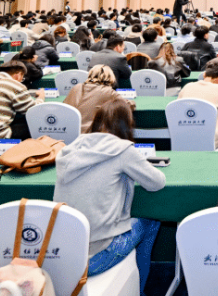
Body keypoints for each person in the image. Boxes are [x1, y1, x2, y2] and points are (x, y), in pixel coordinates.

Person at [54, 99, 165, 293]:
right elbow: (157, 182)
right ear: (127, 125)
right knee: (150, 221)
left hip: (62, 255)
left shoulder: (70, 149)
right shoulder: (123, 150)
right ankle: (140, 290)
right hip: (97, 256)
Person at [178, 60, 218, 149]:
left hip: (184, 136)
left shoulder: (187, 86)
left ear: (204, 75)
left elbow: (178, 105)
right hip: (211, 139)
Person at [63, 64, 134, 132]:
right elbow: (125, 105)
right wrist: (133, 103)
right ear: (110, 77)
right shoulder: (108, 92)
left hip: (68, 130)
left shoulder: (76, 87)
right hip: (90, 133)